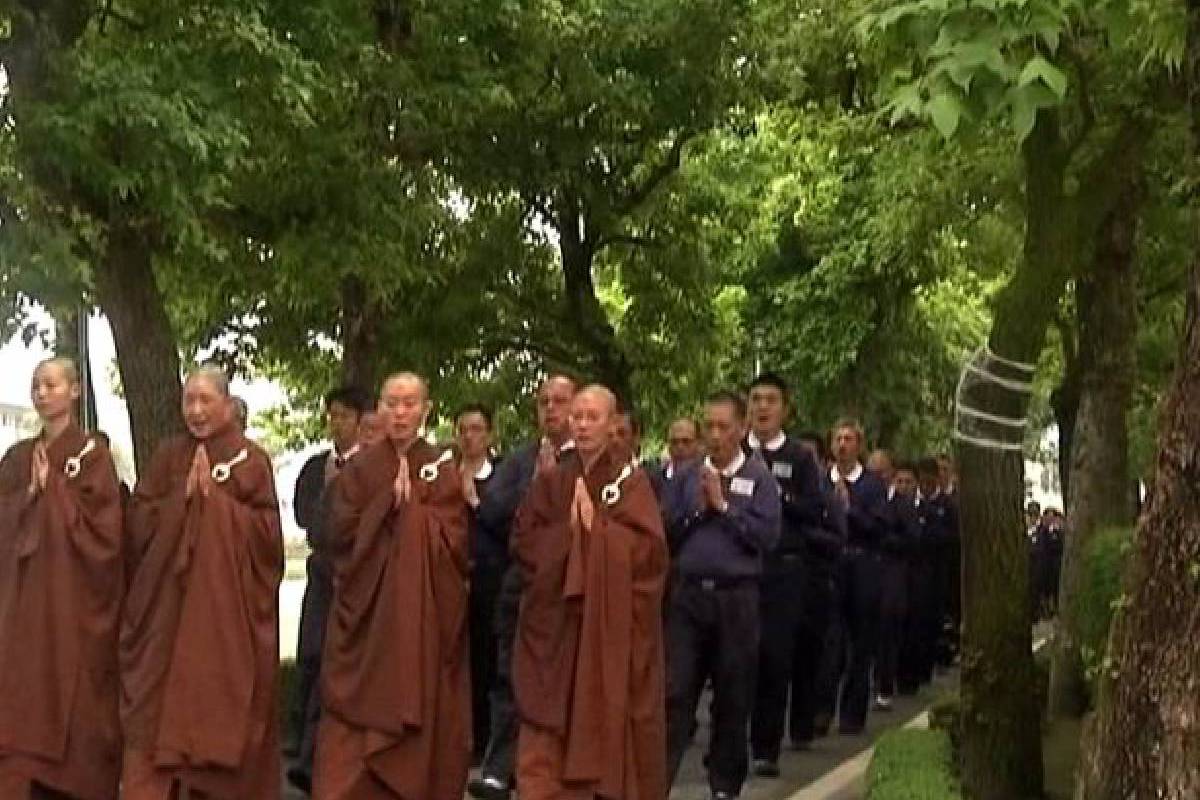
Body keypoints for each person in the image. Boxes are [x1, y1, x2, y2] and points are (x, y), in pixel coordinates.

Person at [120, 366, 283, 799]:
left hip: (221, 623)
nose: (195, 410)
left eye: (205, 400)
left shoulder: (251, 460)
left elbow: (269, 542)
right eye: (188, 400)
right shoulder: (168, 456)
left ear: (227, 406)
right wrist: (182, 502)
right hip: (166, 621)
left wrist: (220, 510)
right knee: (153, 726)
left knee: (216, 714)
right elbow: (137, 525)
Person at [314, 372, 471, 799]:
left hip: (417, 624)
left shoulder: (441, 468)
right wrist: (384, 507)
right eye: (391, 403)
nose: (399, 413)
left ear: (426, 410)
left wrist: (414, 517)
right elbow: (336, 534)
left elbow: (455, 544)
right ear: (379, 408)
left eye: (409, 404)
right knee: (347, 746)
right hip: (364, 624)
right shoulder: (362, 467)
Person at [512, 384, 669, 800]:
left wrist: (597, 536)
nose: (581, 425)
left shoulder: (630, 483)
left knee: (603, 719)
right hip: (556, 629)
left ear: (613, 424)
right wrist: (571, 537)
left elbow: (651, 556)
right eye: (576, 416)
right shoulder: (550, 481)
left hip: (604, 630)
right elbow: (524, 542)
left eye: (592, 417)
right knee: (544, 729)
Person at [0, 358, 124, 800]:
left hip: (72, 611)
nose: (41, 392)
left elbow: (108, 539)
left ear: (74, 391)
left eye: (51, 384)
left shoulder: (93, 458)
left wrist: (56, 494)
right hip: (24, 610)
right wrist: (31, 494)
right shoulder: (16, 458)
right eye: (35, 385)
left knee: (75, 711)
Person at [665, 391, 781, 800]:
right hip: (689, 598)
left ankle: (724, 787)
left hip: (737, 601)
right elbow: (667, 532)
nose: (715, 436)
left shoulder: (759, 477)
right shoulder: (685, 476)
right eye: (708, 427)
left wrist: (725, 507)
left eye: (723, 427)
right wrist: (698, 509)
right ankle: (654, 782)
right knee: (675, 693)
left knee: (732, 697)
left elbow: (767, 538)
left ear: (742, 429)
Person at [468, 375, 579, 800]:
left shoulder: (591, 462)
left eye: (560, 401)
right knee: (507, 674)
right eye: (543, 402)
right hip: (521, 584)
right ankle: (499, 768)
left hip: (568, 589)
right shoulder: (521, 460)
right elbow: (492, 509)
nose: (551, 410)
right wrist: (538, 486)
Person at [745, 374, 835, 776]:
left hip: (784, 569)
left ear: (785, 408)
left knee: (775, 657)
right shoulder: (735, 450)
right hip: (741, 566)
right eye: (756, 399)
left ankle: (766, 747)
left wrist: (775, 493)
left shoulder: (799, 457)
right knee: (737, 659)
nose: (762, 407)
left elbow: (814, 509)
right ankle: (730, 743)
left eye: (771, 400)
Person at [286, 385, 373, 793]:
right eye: (332, 415)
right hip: (320, 577)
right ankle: (301, 744)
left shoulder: (371, 465)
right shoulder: (317, 466)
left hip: (354, 578)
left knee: (340, 666)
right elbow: (306, 517)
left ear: (359, 420)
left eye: (344, 416)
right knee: (311, 657)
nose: (337, 423)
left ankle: (321, 755)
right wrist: (329, 490)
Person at [823, 419, 889, 735]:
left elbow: (879, 528)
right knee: (827, 640)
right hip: (830, 565)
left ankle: (852, 714)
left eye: (849, 439)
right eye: (838, 438)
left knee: (860, 644)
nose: (842, 445)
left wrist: (848, 509)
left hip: (862, 567)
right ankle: (820, 709)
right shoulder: (822, 480)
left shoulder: (872, 485)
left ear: (859, 445)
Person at [456, 403, 501, 761]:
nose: (469, 437)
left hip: (489, 578)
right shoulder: (443, 473)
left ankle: (485, 737)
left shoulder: (500, 475)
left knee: (486, 658)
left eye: (476, 429)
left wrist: (474, 500)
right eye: (463, 430)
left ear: (489, 435)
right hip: (451, 579)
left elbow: (506, 525)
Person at [876, 459, 920, 707]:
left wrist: (885, 539)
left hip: (898, 574)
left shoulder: (905, 508)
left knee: (891, 630)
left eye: (907, 482)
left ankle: (888, 683)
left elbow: (913, 539)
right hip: (876, 572)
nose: (901, 486)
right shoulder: (881, 503)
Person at [649, 417, 702, 502]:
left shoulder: (708, 479)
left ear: (699, 443)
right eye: (674, 442)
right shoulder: (654, 479)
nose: (680, 447)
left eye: (686, 441)